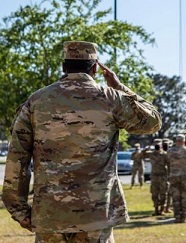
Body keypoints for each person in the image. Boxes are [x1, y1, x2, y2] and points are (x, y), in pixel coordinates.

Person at [2, 41, 162, 242]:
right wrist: (121, 87)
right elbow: (153, 122)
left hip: (50, 214)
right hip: (96, 216)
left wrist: (18, 208)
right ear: (95, 68)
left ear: (64, 66)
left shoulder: (36, 100)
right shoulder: (110, 97)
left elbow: (17, 156)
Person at [167, 134, 186, 223]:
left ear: (176, 141)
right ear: (184, 141)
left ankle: (177, 216)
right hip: (185, 176)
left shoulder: (170, 151)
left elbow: (167, 159)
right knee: (185, 197)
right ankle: (185, 217)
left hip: (173, 176)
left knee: (175, 197)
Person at [143, 138, 169, 216]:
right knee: (154, 194)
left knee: (163, 193)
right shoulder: (151, 154)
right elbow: (142, 154)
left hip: (163, 176)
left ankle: (162, 209)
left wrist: (169, 174)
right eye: (156, 144)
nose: (157, 145)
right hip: (154, 176)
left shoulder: (165, 154)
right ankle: (156, 209)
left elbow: (169, 164)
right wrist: (148, 147)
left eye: (159, 144)